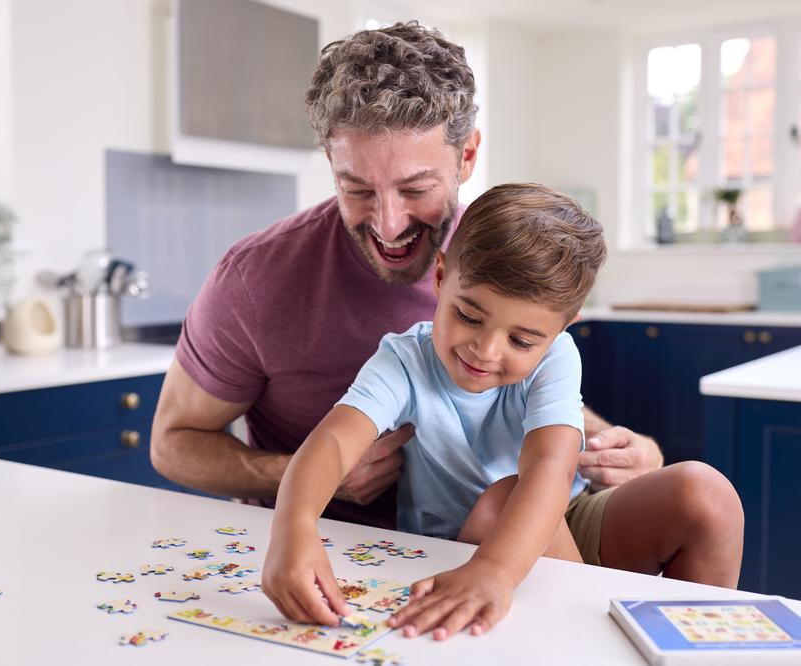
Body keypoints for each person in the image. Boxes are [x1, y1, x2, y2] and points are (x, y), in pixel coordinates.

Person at [151, 22, 740, 579]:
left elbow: (529, 397)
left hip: (532, 520)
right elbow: (171, 444)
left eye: (415, 189)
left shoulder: (493, 253)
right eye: (356, 189)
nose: (387, 223)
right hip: (363, 555)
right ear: (331, 163)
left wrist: (627, 451)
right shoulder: (257, 279)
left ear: (466, 157)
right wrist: (301, 480)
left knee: (683, 498)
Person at [261, 184, 742, 641]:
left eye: (521, 340)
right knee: (501, 500)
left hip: (563, 522)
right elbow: (332, 441)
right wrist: (295, 527)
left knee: (706, 493)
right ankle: (587, 638)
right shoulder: (404, 360)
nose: (485, 351)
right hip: (468, 546)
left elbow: (551, 468)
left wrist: (498, 572)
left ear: (560, 330)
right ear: (441, 277)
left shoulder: (558, 356)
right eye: (468, 316)